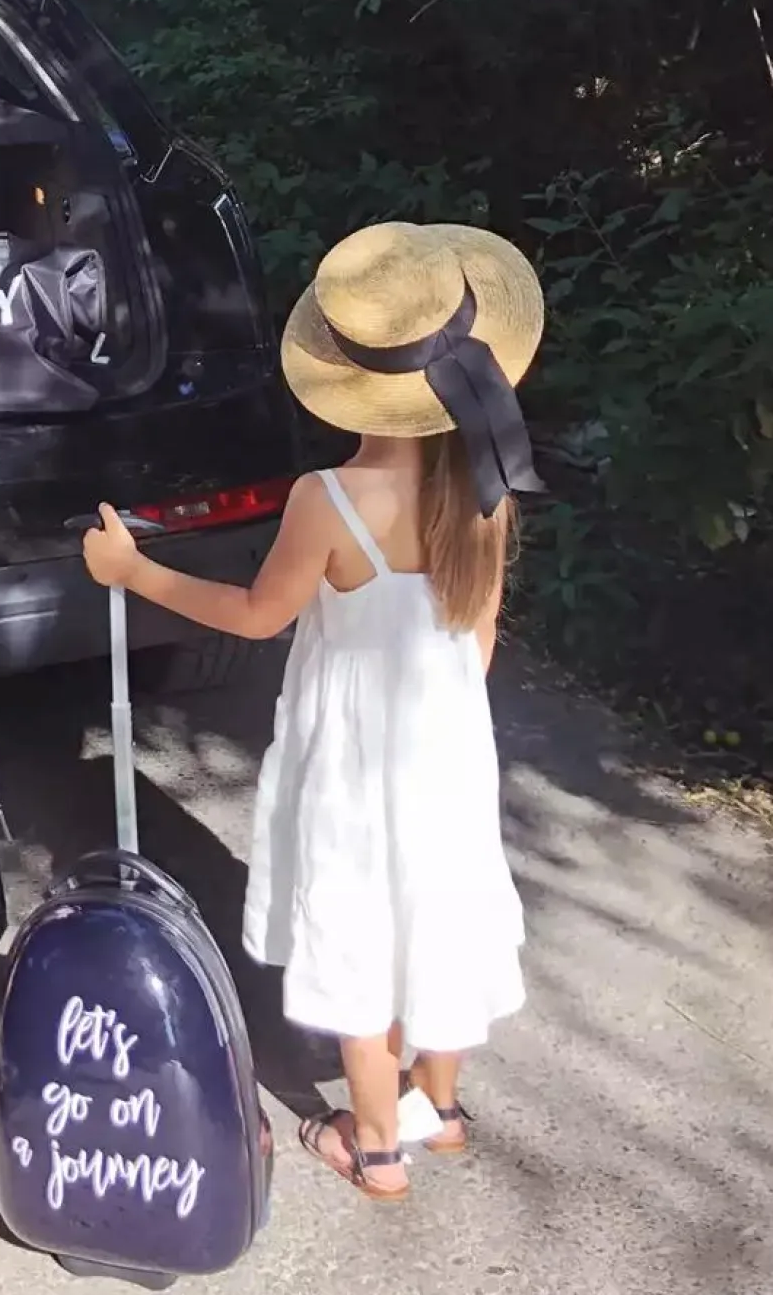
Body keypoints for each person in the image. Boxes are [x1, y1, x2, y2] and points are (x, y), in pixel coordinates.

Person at [81, 220, 545, 1203]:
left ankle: (374, 1148)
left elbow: (257, 616)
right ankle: (439, 1110)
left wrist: (133, 571)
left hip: (352, 754)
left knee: (357, 932)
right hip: (450, 743)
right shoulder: (485, 488)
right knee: (441, 914)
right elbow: (480, 636)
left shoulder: (326, 498)